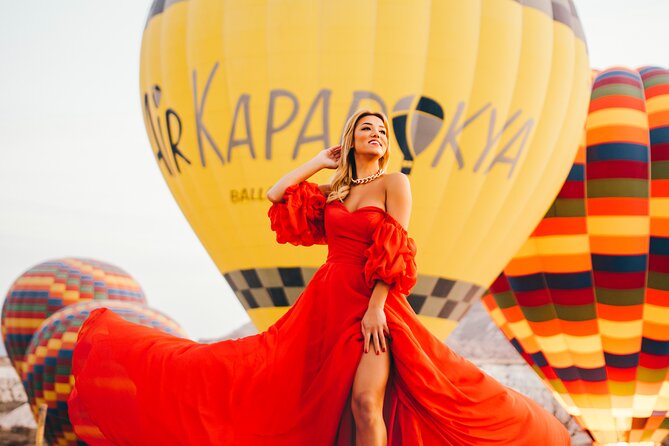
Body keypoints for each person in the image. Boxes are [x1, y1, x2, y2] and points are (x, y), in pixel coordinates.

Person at [68, 110, 570, 445]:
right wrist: (318, 162)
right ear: (350, 138)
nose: (376, 134)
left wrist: (376, 308)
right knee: (301, 397)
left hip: (373, 305)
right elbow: (274, 194)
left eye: (382, 131)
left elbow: (394, 248)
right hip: (325, 303)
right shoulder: (333, 193)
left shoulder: (396, 183)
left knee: (365, 400)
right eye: (365, 128)